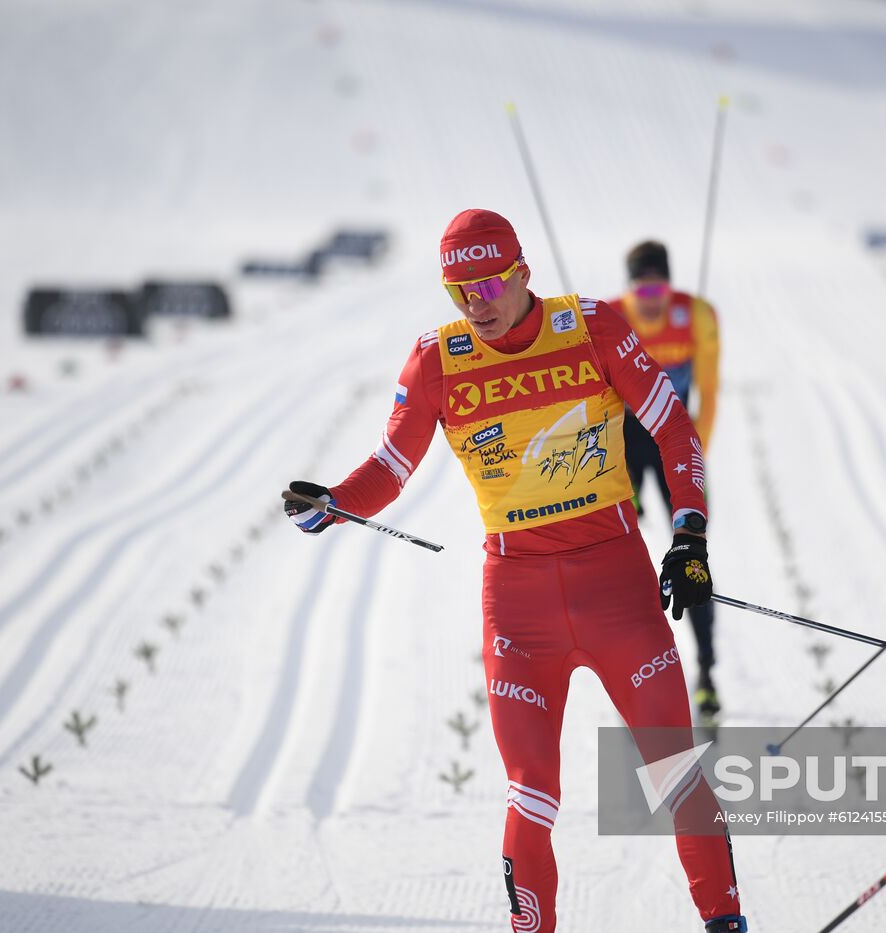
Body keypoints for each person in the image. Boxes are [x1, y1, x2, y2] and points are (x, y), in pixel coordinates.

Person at [282, 209, 746, 933]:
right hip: (519, 603)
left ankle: (726, 923)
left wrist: (689, 535)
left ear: (523, 273)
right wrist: (334, 502)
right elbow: (390, 465)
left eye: (490, 282)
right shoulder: (437, 358)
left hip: (617, 585)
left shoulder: (592, 326)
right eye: (459, 288)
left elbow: (674, 426)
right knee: (532, 793)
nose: (477, 302)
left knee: (675, 769)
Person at [606, 241, 724, 721]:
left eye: (659, 287)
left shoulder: (696, 314)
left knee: (692, 557)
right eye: (642, 289)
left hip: (673, 439)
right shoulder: (610, 316)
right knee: (616, 560)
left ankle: (706, 672)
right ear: (630, 289)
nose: (652, 299)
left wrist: (694, 462)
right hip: (624, 445)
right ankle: (626, 674)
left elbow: (710, 392)